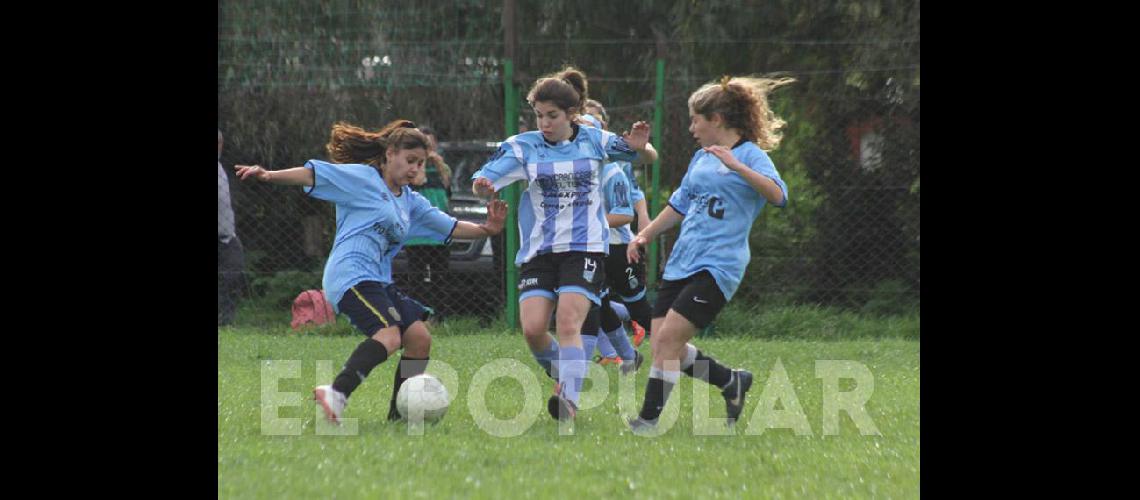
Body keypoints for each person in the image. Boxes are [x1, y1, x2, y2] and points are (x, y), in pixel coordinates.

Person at [235, 119, 507, 424]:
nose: (416, 169)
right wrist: (268, 174)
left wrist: (487, 228)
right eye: (410, 161)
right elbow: (313, 173)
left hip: (378, 281)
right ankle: (337, 392)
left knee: (419, 337)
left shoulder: (410, 201)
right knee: (389, 335)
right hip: (350, 276)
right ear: (390, 154)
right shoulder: (363, 179)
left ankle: (400, 417)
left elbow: (449, 226)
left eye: (421, 163)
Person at [471, 66, 657, 422]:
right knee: (533, 329)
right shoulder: (523, 146)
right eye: (539, 115)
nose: (544, 123)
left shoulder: (594, 140)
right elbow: (486, 176)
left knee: (569, 323)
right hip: (540, 251)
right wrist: (483, 186)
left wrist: (641, 148)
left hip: (584, 248)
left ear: (572, 114)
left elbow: (646, 156)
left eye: (552, 116)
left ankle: (568, 400)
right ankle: (566, 374)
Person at [625, 76, 794, 433]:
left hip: (719, 265)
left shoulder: (750, 155)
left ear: (716, 118)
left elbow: (779, 196)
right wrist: (644, 236)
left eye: (695, 120)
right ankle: (731, 381)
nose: (691, 128)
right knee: (663, 345)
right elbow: (679, 205)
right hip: (683, 260)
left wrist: (737, 166)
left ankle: (648, 422)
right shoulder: (701, 158)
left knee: (668, 341)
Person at [403, 126, 453, 305]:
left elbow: (447, 188)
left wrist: (436, 162)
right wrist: (421, 161)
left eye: (430, 145)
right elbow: (418, 181)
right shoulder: (411, 169)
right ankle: (418, 315)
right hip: (417, 235)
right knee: (417, 279)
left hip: (438, 233)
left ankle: (440, 316)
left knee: (440, 278)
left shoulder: (442, 167)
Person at [218, 129, 246, 326]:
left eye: (219, 143)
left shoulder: (221, 169)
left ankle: (225, 321)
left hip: (227, 236)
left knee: (233, 275)